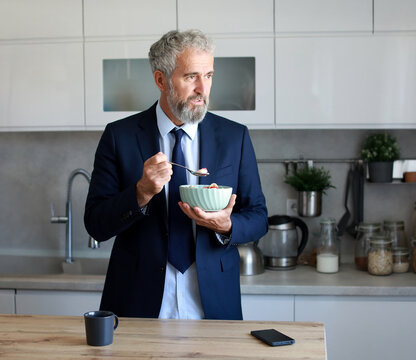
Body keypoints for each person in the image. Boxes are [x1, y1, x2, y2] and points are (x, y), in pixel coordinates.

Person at [84, 29, 268, 320]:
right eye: (191, 76)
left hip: (213, 300)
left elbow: (258, 216)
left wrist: (227, 225)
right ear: (161, 80)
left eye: (208, 76)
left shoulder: (235, 137)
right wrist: (141, 193)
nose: (202, 89)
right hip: (138, 299)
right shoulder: (120, 136)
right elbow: (95, 224)